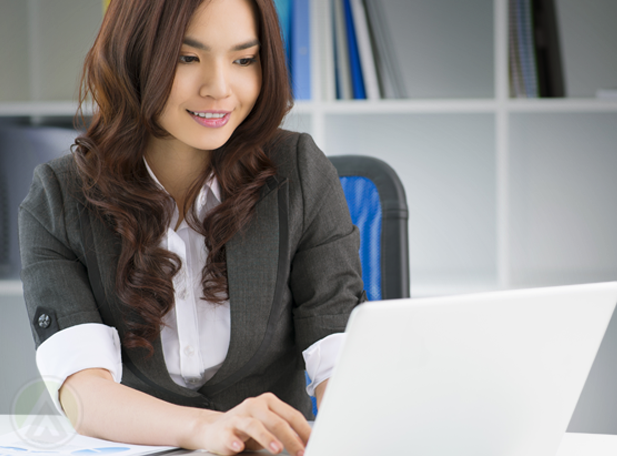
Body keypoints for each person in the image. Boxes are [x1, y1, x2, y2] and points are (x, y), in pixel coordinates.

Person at [18, 1, 364, 455]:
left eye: (244, 60)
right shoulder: (58, 198)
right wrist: (206, 429)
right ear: (134, 58)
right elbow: (83, 392)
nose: (220, 88)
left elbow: (337, 345)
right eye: (187, 57)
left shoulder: (297, 171)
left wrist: (352, 432)